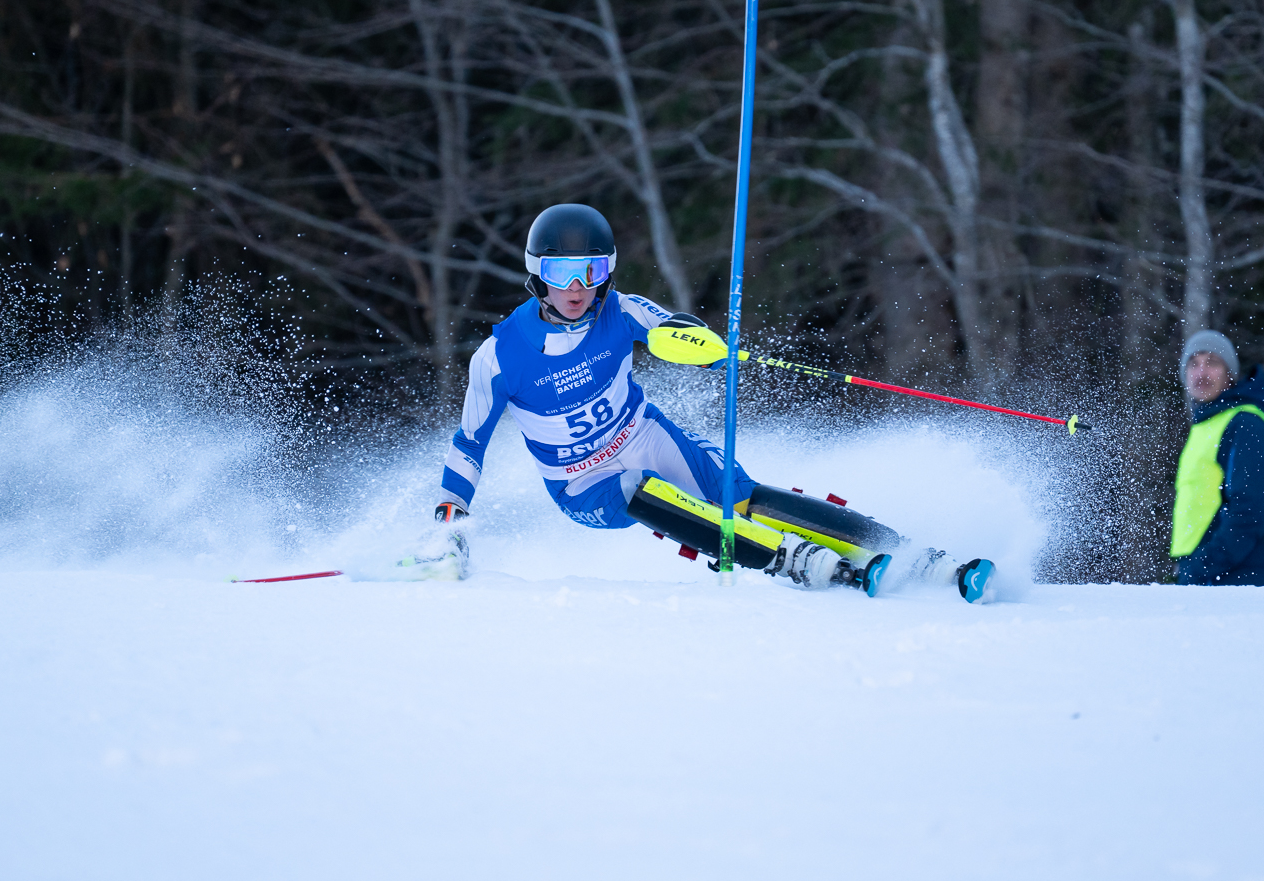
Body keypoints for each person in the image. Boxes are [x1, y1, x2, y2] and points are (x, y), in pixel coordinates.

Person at [426, 203, 995, 601]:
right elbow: (468, 445)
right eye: (561, 272)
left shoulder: (620, 309)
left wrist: (712, 352)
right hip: (580, 482)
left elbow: (673, 329)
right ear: (536, 274)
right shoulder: (498, 356)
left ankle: (916, 558)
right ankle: (790, 560)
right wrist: (450, 525)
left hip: (642, 435)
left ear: (607, 273)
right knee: (634, 491)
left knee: (737, 493)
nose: (577, 288)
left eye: (592, 271)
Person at [1170, 330, 1264, 587]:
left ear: (1229, 374)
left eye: (1212, 362)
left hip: (1243, 575)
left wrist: (1205, 565)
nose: (1201, 373)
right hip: (1209, 574)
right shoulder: (1204, 426)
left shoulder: (1244, 422)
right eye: (1194, 363)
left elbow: (1251, 508)